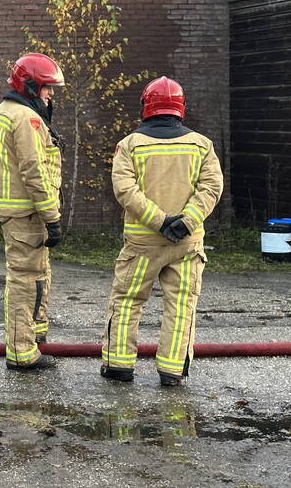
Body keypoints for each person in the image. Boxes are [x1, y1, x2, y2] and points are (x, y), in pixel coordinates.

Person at [100, 76, 223, 386]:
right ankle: (171, 371)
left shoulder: (129, 145)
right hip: (187, 243)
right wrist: (186, 221)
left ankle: (119, 366)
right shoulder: (201, 145)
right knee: (181, 305)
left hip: (143, 242)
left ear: (146, 107)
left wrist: (159, 220)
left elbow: (125, 189)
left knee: (128, 300)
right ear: (180, 108)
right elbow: (211, 187)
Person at [0, 53, 66, 371]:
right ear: (31, 86)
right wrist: (52, 216)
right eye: (47, 88)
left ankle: (35, 335)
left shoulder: (4, 112)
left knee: (38, 274)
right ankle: (22, 351)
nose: (51, 94)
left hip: (16, 210)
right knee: (25, 279)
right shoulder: (26, 118)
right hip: (26, 212)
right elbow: (34, 170)